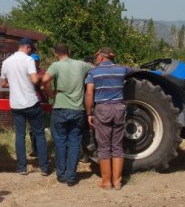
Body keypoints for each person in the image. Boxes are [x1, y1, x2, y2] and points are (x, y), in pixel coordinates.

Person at [41, 44, 93, 186]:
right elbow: (94, 69)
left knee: (60, 142)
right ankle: (71, 176)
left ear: (55, 53)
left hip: (60, 108)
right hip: (78, 110)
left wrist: (50, 93)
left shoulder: (56, 66)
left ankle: (61, 174)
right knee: (75, 142)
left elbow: (45, 80)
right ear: (69, 52)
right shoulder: (81, 65)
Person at [85, 47, 134, 190]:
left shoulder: (93, 72)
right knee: (117, 146)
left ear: (101, 56)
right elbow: (132, 70)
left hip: (103, 110)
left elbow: (89, 93)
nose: (96, 59)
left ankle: (106, 182)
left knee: (104, 147)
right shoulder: (121, 70)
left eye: (97, 56)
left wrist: (89, 113)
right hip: (119, 109)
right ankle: (117, 182)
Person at [0, 37, 49, 176]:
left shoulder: (6, 62)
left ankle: (22, 167)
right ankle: (44, 168)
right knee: (39, 135)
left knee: (20, 136)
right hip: (31, 103)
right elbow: (34, 79)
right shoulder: (28, 60)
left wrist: (15, 83)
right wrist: (42, 79)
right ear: (27, 48)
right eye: (30, 49)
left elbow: (3, 84)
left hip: (16, 104)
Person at [28, 52, 48, 158]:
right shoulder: (27, 72)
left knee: (39, 127)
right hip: (30, 102)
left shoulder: (43, 72)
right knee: (32, 128)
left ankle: (40, 149)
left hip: (41, 102)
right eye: (33, 61)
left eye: (36, 61)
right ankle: (34, 148)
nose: (35, 63)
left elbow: (42, 79)